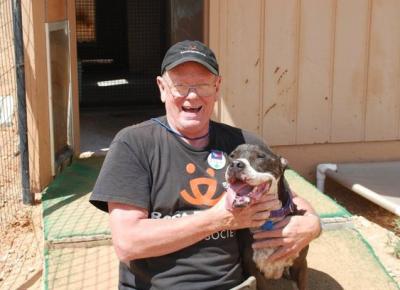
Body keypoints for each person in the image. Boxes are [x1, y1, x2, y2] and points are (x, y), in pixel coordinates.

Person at [90, 40, 321, 290]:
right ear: (162, 88)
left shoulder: (244, 144)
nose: (192, 96)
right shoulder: (134, 143)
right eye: (180, 86)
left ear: (217, 87)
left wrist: (311, 223)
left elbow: (286, 194)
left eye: (202, 85)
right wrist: (220, 218)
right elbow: (128, 243)